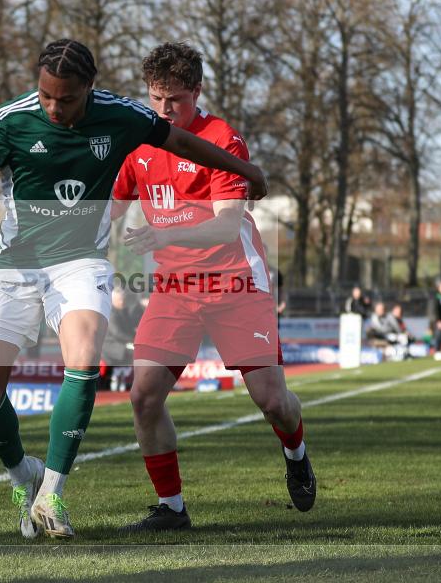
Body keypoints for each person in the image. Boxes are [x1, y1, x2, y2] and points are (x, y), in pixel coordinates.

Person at [0, 39, 269, 540]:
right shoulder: (11, 120)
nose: (54, 107)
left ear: (89, 89)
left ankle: (52, 493)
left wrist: (245, 171)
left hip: (80, 263)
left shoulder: (121, 115)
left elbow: (181, 142)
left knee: (84, 359)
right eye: (46, 96)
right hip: (15, 265)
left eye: (65, 98)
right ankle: (21, 476)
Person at [111, 42, 315, 532]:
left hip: (236, 282)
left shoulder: (222, 138)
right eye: (156, 99)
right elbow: (110, 209)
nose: (164, 110)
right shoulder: (137, 143)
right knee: (143, 394)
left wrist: (164, 234)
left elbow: (226, 226)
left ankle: (296, 451)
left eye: (175, 100)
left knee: (271, 399)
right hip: (175, 286)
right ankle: (172, 508)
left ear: (197, 92)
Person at [101, 287, 145, 391]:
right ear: (113, 299)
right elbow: (117, 333)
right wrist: (134, 339)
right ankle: (137, 381)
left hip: (122, 344)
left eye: (124, 299)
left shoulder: (124, 311)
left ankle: (131, 380)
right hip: (112, 346)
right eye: (120, 299)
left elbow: (132, 325)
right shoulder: (110, 312)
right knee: (139, 352)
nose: (123, 302)